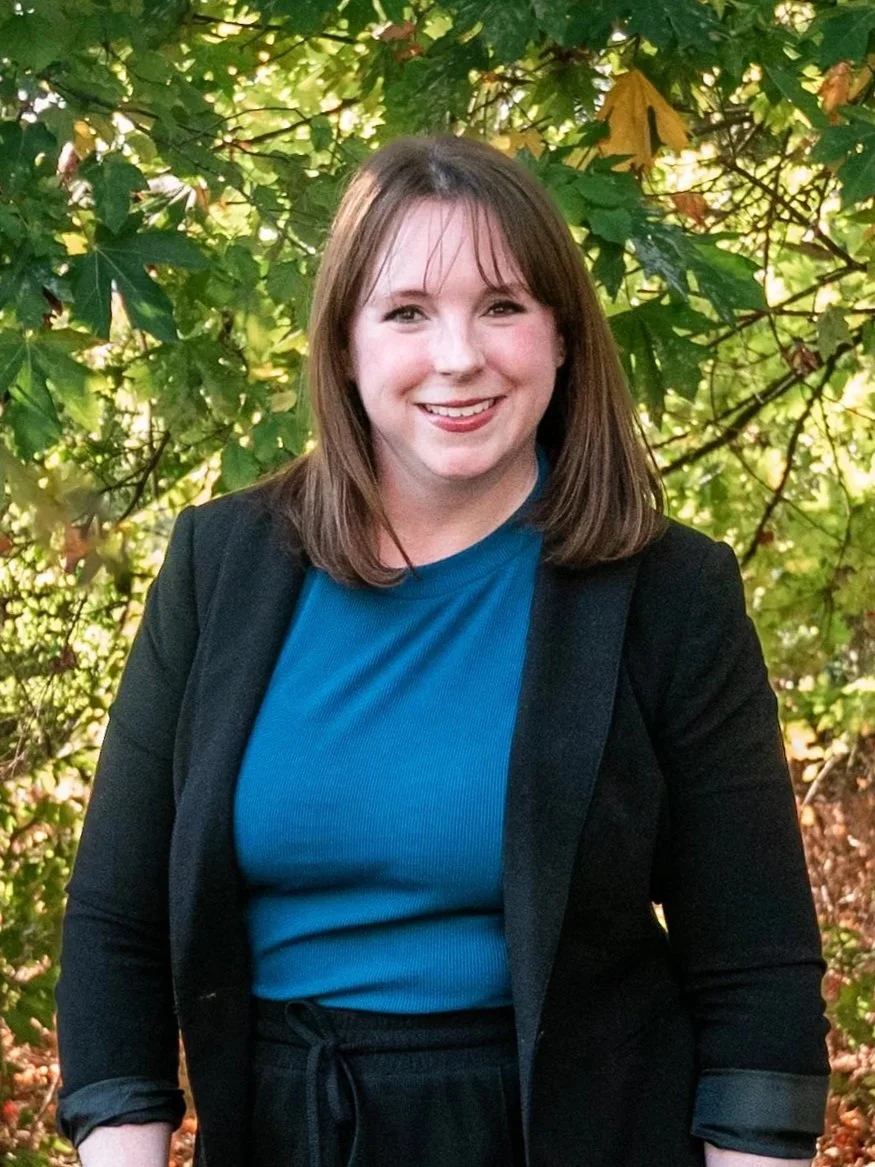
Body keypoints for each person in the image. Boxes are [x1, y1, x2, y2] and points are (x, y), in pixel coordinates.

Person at [56, 134, 831, 1167]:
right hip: (285, 1132)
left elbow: (753, 968)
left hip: (575, 1134)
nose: (458, 355)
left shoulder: (667, 593)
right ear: (344, 344)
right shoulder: (221, 567)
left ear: (560, 336)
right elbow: (118, 920)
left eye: (501, 306)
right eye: (407, 311)